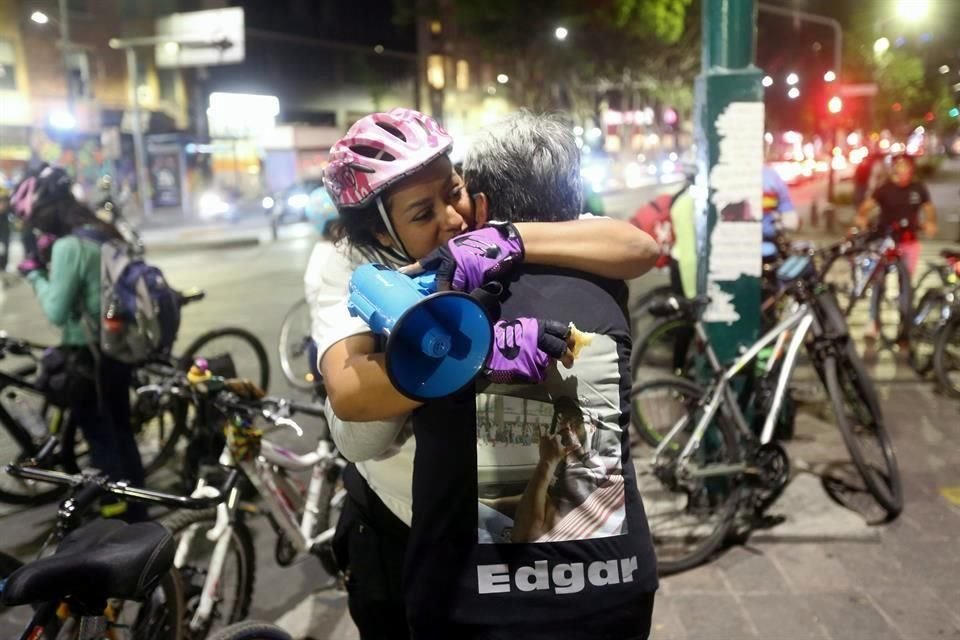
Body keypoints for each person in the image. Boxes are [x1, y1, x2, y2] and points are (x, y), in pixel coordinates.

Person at [310, 108, 658, 639]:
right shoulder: (352, 269)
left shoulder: (485, 232)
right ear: (382, 234)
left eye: (453, 192)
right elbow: (351, 394)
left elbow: (638, 248)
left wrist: (514, 237)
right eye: (423, 214)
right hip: (397, 516)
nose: (452, 219)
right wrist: (470, 350)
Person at [10, 165, 146, 520]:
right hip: (118, 347)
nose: (36, 226)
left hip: (89, 354)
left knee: (102, 439)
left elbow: (56, 311)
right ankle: (138, 504)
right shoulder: (102, 231)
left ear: (50, 211)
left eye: (37, 218)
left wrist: (35, 275)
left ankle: (123, 520)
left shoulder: (69, 246)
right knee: (120, 429)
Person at [855, 154, 937, 339]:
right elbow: (866, 206)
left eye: (907, 169)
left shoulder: (918, 189)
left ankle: (905, 323)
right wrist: (862, 219)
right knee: (879, 283)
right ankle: (873, 321)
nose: (903, 173)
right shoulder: (884, 189)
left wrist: (930, 222)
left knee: (906, 284)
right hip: (886, 241)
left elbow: (929, 209)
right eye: (900, 168)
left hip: (909, 242)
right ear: (894, 170)